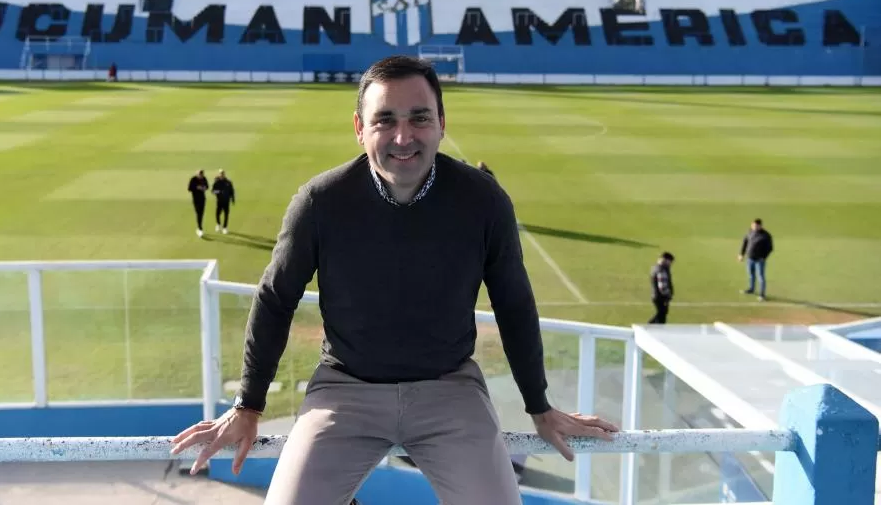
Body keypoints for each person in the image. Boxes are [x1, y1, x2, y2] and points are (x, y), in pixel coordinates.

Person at [170, 56, 618, 505]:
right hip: (344, 392)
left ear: (441, 123)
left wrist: (539, 407)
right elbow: (275, 299)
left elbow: (514, 304)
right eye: (385, 120)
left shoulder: (484, 201)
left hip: (451, 390)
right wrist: (248, 405)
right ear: (359, 128)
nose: (403, 137)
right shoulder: (320, 202)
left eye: (419, 118)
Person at [739, 218, 774, 301]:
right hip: (750, 258)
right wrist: (741, 254)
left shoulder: (766, 235)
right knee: (751, 275)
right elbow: (745, 242)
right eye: (753, 225)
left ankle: (762, 295)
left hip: (759, 260)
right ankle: (751, 289)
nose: (754, 227)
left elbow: (770, 248)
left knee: (760, 277)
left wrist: (763, 257)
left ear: (760, 226)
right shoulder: (750, 232)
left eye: (756, 226)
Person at [648, 252, 675, 324]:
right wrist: (668, 295)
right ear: (666, 260)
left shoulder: (655, 268)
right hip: (661, 297)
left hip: (656, 296)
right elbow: (662, 287)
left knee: (661, 313)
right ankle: (648, 326)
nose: (670, 264)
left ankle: (649, 326)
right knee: (662, 316)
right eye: (670, 262)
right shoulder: (661, 270)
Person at [212, 169, 236, 234]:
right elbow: (213, 191)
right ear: (219, 174)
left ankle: (225, 227)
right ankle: (218, 224)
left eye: (223, 173)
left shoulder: (228, 182)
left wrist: (233, 199)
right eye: (221, 174)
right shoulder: (216, 182)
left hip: (226, 201)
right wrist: (219, 192)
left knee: (226, 214)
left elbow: (232, 191)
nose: (222, 175)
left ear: (224, 174)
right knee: (217, 214)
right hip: (219, 201)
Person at [187, 170, 209, 238]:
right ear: (197, 174)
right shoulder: (193, 179)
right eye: (200, 175)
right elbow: (189, 188)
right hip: (196, 200)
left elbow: (207, 186)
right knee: (198, 213)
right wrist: (197, 187)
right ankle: (200, 228)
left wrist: (204, 188)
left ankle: (199, 228)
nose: (201, 176)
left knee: (201, 214)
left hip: (203, 199)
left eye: (202, 175)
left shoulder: (204, 178)